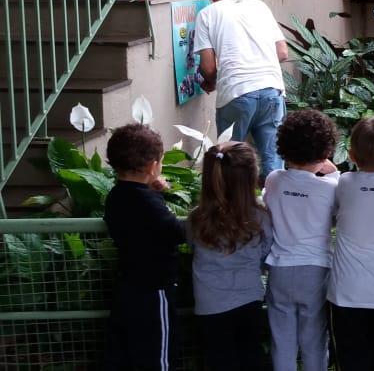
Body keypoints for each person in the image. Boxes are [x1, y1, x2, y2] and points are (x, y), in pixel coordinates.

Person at [102, 123, 185, 369]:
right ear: (153, 167)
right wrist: (159, 195)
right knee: (157, 355)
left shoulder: (116, 196)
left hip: (127, 285)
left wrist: (153, 191)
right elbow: (176, 232)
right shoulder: (148, 202)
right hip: (154, 289)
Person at [262, 109, 340, 371]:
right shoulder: (330, 187)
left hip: (280, 270)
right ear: (325, 152)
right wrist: (332, 171)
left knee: (281, 340)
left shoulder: (274, 181)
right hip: (316, 272)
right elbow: (336, 195)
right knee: (315, 339)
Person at [327, 116, 374, 371]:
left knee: (352, 360)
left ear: (350, 154)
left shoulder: (344, 182)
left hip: (345, 293)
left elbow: (336, 211)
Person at [188, 141, 273, 371]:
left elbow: (192, 247)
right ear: (250, 179)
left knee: (218, 360)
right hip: (249, 299)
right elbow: (266, 253)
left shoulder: (196, 219)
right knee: (250, 356)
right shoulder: (260, 217)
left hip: (209, 304)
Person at [195, 0, 288, 180]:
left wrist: (212, 82)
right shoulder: (259, 6)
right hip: (272, 89)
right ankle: (272, 206)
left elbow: (208, 67)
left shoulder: (207, 13)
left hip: (236, 92)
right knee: (273, 162)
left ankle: (234, 207)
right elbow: (282, 53)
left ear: (214, 2)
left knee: (231, 161)